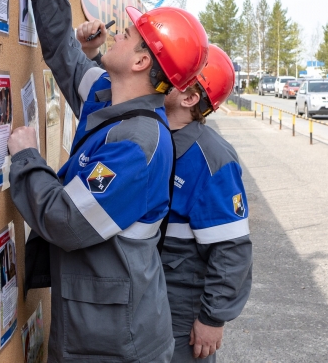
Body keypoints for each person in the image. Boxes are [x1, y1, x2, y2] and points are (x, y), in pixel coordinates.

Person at [6, 0, 209, 363]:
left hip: (116, 344)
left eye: (128, 35)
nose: (115, 34)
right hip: (97, 326)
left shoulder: (137, 145)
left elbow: (64, 219)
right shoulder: (108, 95)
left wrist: (26, 158)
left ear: (140, 62)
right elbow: (65, 55)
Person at [79, 27, 253, 361]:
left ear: (189, 99)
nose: (166, 75)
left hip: (181, 311)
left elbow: (231, 248)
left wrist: (212, 318)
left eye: (180, 77)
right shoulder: (145, 131)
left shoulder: (212, 158)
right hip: (145, 297)